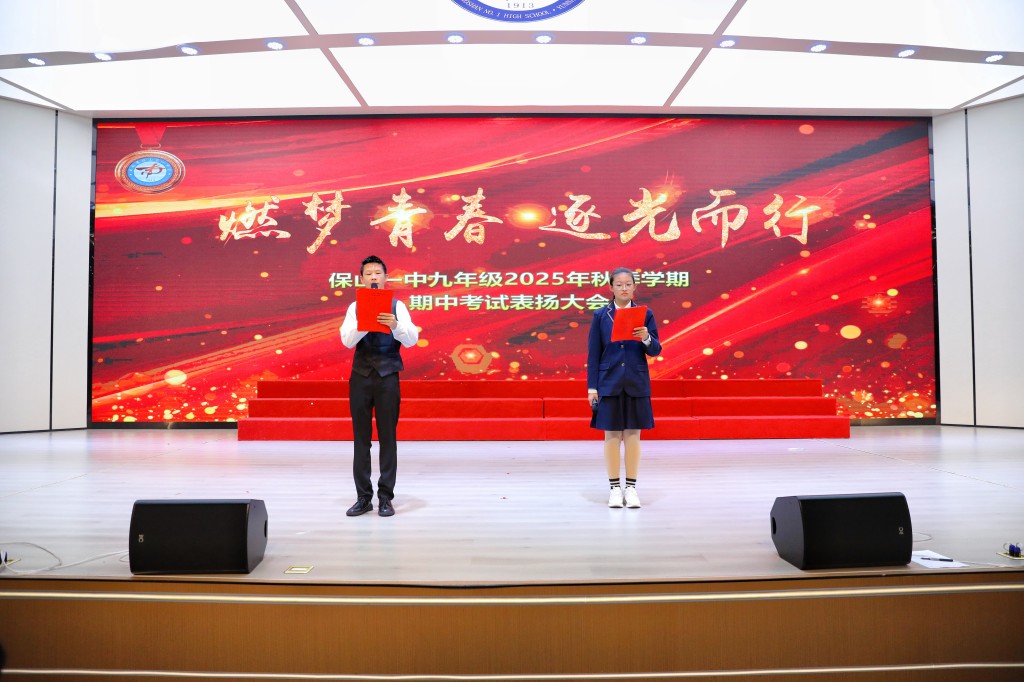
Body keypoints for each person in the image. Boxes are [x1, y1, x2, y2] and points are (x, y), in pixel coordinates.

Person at [340, 255, 419, 517]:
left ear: (385, 277)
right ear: (362, 279)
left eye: (378, 273)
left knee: (388, 438)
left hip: (387, 377)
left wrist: (394, 325)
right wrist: (366, 322)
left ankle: (386, 497)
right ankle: (363, 497)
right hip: (361, 377)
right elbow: (347, 341)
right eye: (368, 273)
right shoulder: (354, 307)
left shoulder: (398, 306)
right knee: (361, 439)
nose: (373, 277)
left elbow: (412, 339)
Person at [587, 267, 662, 509]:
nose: (624, 288)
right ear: (611, 287)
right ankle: (614, 489)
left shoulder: (645, 314)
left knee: (632, 435)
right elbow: (594, 354)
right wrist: (592, 388)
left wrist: (646, 338)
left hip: (635, 381)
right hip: (608, 381)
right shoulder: (601, 315)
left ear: (634, 287)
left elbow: (655, 350)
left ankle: (631, 488)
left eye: (628, 284)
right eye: (619, 284)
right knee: (611, 435)